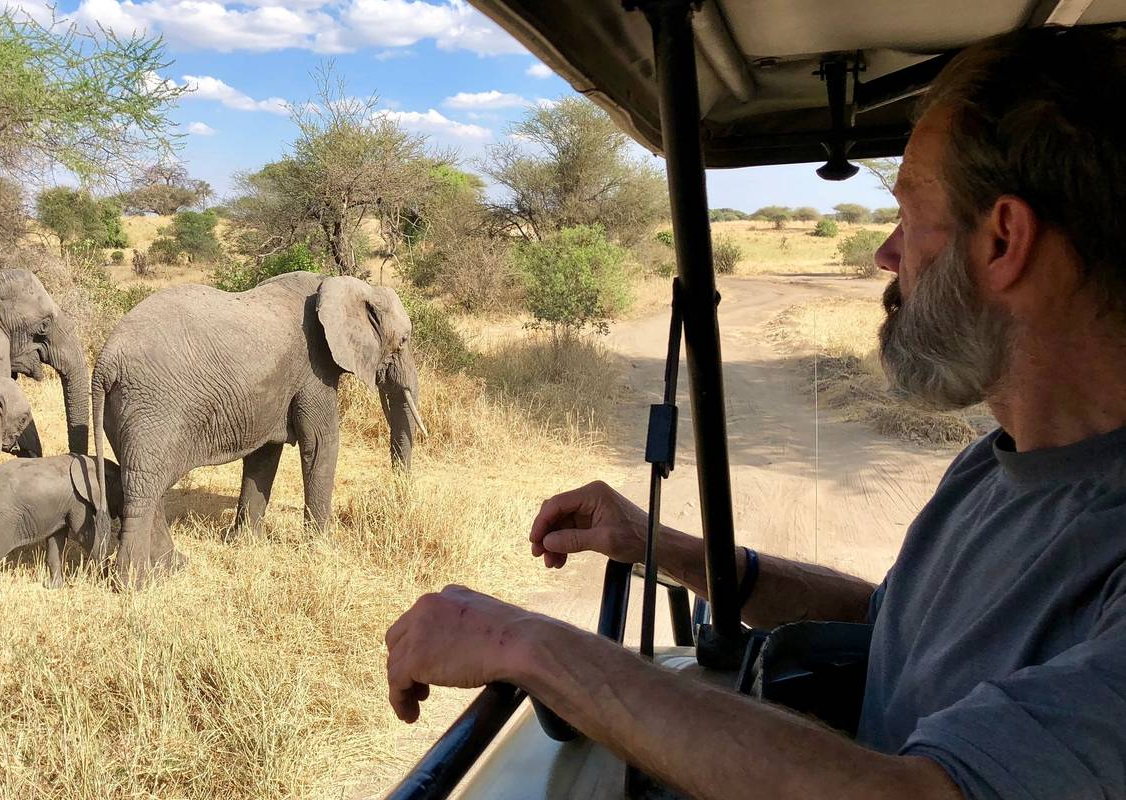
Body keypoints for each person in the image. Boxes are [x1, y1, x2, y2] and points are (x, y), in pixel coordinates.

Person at [384, 26, 1126, 800]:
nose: (886, 253)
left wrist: (525, 644)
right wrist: (661, 547)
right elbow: (896, 628)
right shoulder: (1000, 462)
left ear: (1003, 240)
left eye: (910, 216)